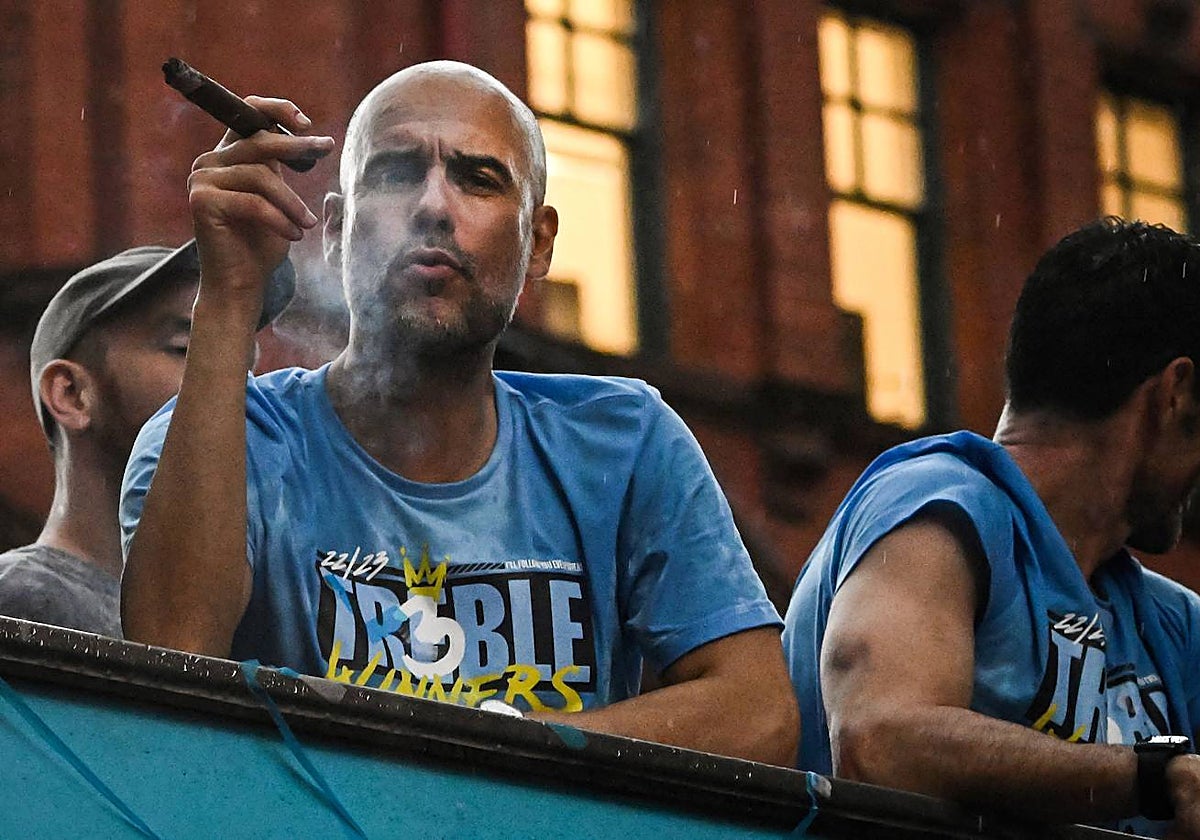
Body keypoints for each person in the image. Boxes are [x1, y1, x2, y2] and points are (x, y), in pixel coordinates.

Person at [119, 61, 797, 764]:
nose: (434, 206)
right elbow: (172, 670)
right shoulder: (229, 441)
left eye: (478, 178)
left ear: (538, 243)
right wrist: (230, 299)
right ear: (336, 231)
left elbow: (760, 713)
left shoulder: (621, 444)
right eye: (396, 172)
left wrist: (481, 758)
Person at [783, 218, 1200, 835]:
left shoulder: (1171, 624)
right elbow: (879, 741)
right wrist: (1150, 778)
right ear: (1176, 395)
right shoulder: (937, 505)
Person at [0, 243, 291, 636]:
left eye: (244, 366)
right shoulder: (21, 599)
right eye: (188, 350)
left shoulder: (245, 618)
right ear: (71, 394)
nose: (240, 389)